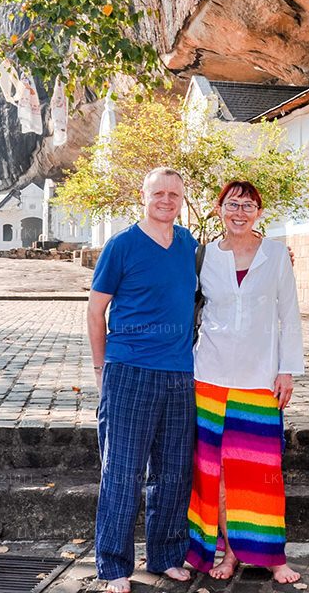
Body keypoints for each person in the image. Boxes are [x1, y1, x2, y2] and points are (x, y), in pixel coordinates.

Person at [185, 180, 304, 584]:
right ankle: (229, 553)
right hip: (209, 376)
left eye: (248, 205)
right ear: (219, 209)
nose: (240, 212)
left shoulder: (276, 254)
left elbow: (289, 313)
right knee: (215, 472)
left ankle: (273, 557)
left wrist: (287, 369)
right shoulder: (203, 256)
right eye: (232, 204)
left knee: (261, 470)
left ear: (259, 212)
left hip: (259, 378)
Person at [88, 167, 197, 593]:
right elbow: (95, 311)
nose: (166, 200)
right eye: (158, 193)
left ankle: (166, 555)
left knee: (173, 472)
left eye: (174, 194)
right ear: (144, 196)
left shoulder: (189, 245)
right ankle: (114, 565)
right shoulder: (121, 245)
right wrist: (101, 370)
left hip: (180, 374)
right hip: (129, 370)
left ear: (181, 200)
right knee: (122, 471)